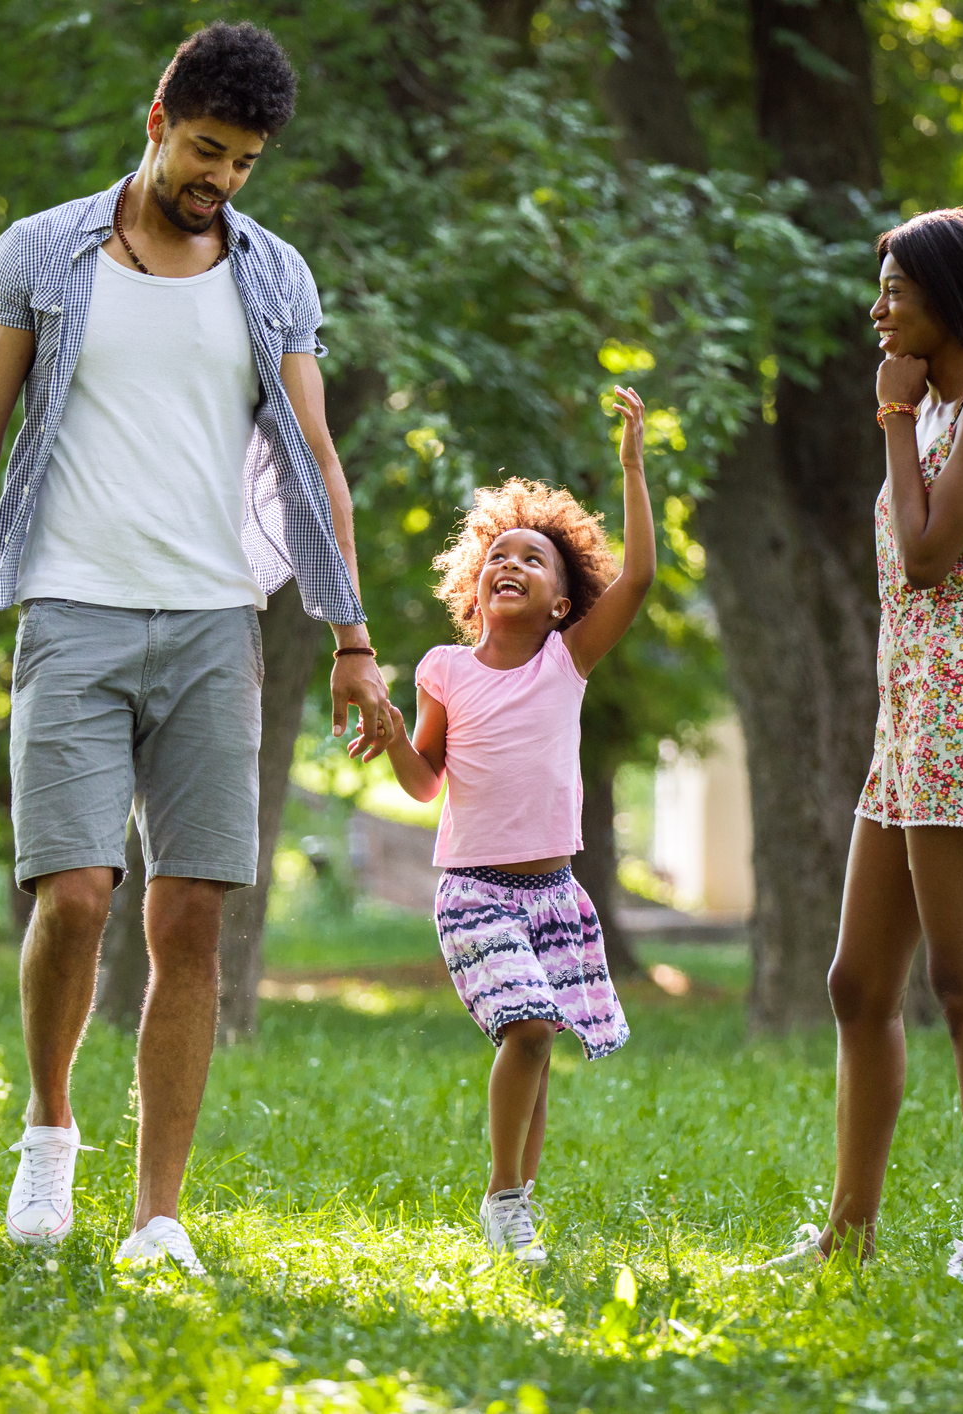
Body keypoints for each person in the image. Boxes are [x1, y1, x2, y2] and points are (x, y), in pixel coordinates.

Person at [0, 22, 395, 1275]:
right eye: (206, 148)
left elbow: (316, 460)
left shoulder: (274, 278)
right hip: (71, 609)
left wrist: (353, 639)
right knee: (73, 895)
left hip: (218, 624)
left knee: (194, 918)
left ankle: (158, 1211)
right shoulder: (43, 254)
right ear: (158, 118)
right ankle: (50, 1128)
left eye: (245, 161)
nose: (220, 177)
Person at [755, 209, 963, 1279]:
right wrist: (902, 412)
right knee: (855, 981)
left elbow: (930, 560)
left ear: (948, 292)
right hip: (912, 710)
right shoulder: (934, 409)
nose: (878, 309)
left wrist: (890, 417)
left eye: (894, 289)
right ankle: (851, 1229)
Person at [363, 389, 655, 1265]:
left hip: (553, 892)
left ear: (563, 603)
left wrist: (633, 465)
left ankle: (518, 1205)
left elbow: (637, 576)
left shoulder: (566, 661)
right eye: (499, 554)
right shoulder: (444, 669)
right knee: (527, 1028)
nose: (512, 564)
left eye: (534, 559)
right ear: (475, 583)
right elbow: (423, 784)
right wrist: (386, 734)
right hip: (474, 892)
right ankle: (501, 1201)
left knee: (538, 1049)